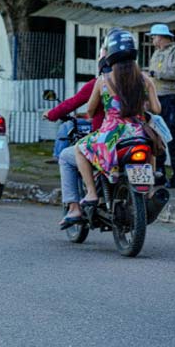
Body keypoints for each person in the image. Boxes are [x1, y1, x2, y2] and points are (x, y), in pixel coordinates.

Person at [60, 30, 161, 228]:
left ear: (110, 54)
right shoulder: (145, 79)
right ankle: (148, 190)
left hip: (111, 135)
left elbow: (90, 111)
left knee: (80, 148)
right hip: (139, 131)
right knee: (151, 148)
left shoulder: (103, 81)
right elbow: (157, 109)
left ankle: (90, 192)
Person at [44, 47, 109, 162]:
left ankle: (58, 157)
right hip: (132, 131)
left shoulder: (99, 83)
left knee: (68, 158)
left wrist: (51, 114)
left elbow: (74, 103)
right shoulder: (138, 80)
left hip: (103, 131)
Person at [147, 23, 175, 188]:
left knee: (172, 137)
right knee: (158, 136)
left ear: (162, 37)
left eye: (154, 36)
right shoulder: (157, 53)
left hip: (171, 99)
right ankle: (160, 172)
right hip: (157, 98)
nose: (153, 39)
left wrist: (156, 74)